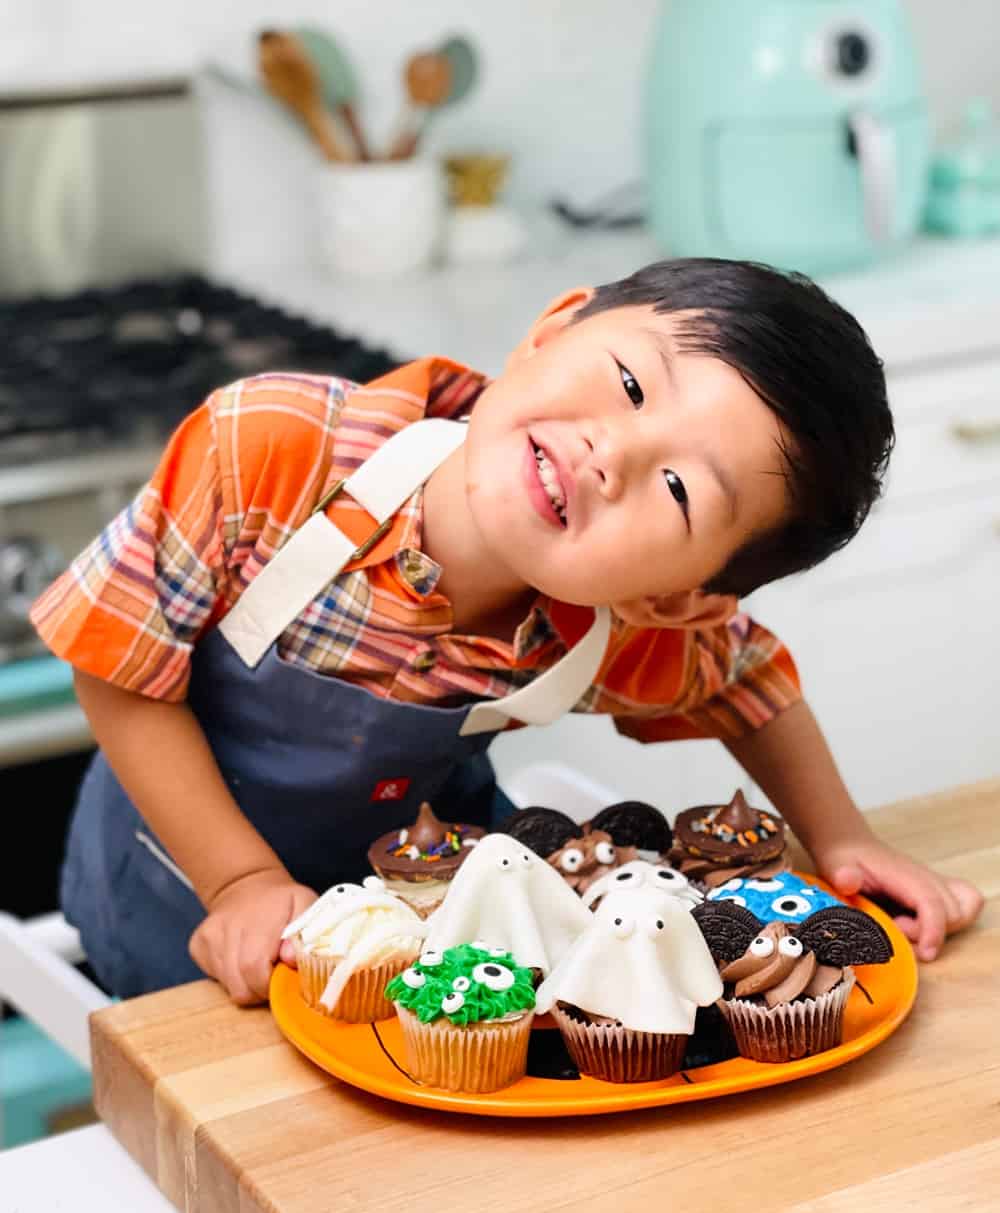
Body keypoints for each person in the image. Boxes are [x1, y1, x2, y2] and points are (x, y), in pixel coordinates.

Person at [31, 258, 983, 1006]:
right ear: (552, 328)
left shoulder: (622, 632)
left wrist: (843, 836)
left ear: (681, 598)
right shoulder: (270, 449)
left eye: (683, 489)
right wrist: (239, 880)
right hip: (180, 885)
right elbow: (116, 673)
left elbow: (750, 684)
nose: (612, 452)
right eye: (630, 385)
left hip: (432, 922)